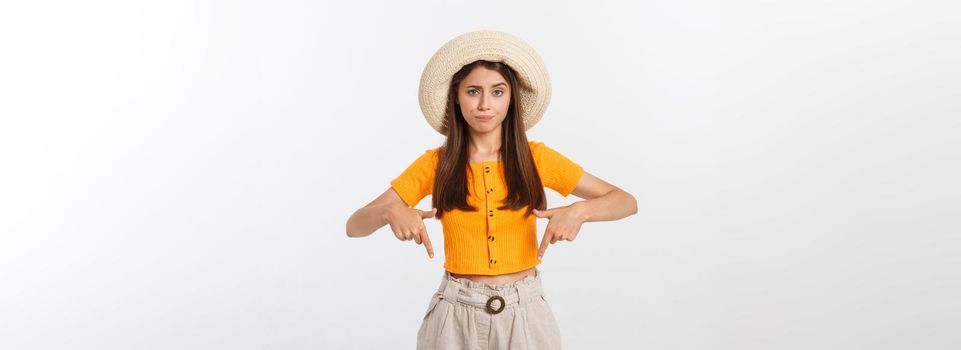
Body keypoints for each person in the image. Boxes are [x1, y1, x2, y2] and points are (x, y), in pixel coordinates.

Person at [346, 30, 637, 350]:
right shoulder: (436, 164)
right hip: (453, 317)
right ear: (456, 96)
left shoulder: (536, 158)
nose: (485, 104)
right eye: (473, 91)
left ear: (511, 97)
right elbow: (354, 225)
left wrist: (580, 211)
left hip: (525, 314)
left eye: (497, 92)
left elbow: (625, 201)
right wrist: (390, 211)